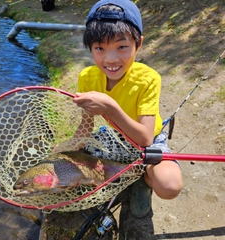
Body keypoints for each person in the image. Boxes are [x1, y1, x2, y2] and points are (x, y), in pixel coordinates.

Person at [54, 0, 183, 225]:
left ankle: (142, 178)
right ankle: (121, 172)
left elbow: (145, 138)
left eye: (121, 47)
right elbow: (86, 124)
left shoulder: (148, 79)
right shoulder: (87, 77)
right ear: (90, 48)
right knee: (59, 170)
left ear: (138, 44)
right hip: (112, 137)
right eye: (100, 48)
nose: (111, 59)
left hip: (147, 141)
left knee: (169, 185)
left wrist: (110, 107)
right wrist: (74, 143)